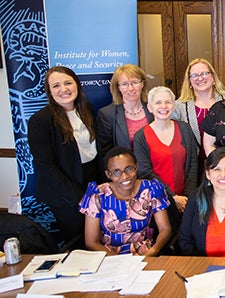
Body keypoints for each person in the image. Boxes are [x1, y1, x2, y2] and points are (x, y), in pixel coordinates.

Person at [29, 66, 100, 246]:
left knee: (99, 238)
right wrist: (79, 197)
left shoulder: (87, 109)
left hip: (92, 182)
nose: (64, 89)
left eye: (68, 83)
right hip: (65, 194)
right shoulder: (40, 121)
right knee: (79, 243)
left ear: (76, 84)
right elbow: (46, 167)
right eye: (56, 86)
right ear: (50, 91)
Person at [79, 147, 172, 256]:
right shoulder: (97, 195)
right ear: (108, 174)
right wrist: (116, 261)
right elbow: (91, 242)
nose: (125, 176)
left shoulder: (151, 188)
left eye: (129, 169)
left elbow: (165, 229)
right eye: (116, 172)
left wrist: (153, 251)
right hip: (109, 256)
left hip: (146, 253)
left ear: (136, 167)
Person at [134, 86, 198, 214]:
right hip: (157, 201)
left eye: (168, 102)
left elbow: (193, 164)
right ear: (150, 107)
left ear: (173, 105)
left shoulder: (184, 129)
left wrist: (186, 198)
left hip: (186, 200)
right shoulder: (141, 136)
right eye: (158, 102)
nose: (163, 106)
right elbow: (145, 172)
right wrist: (173, 197)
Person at [172, 58, 225, 179]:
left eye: (204, 73)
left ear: (213, 77)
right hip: (193, 169)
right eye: (194, 75)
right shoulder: (178, 106)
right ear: (189, 81)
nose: (200, 78)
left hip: (224, 167)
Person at [97, 64, 153, 153]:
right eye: (124, 84)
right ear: (118, 87)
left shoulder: (153, 109)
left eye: (135, 82)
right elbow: (105, 151)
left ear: (142, 84)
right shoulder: (107, 114)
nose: (130, 88)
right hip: (125, 165)